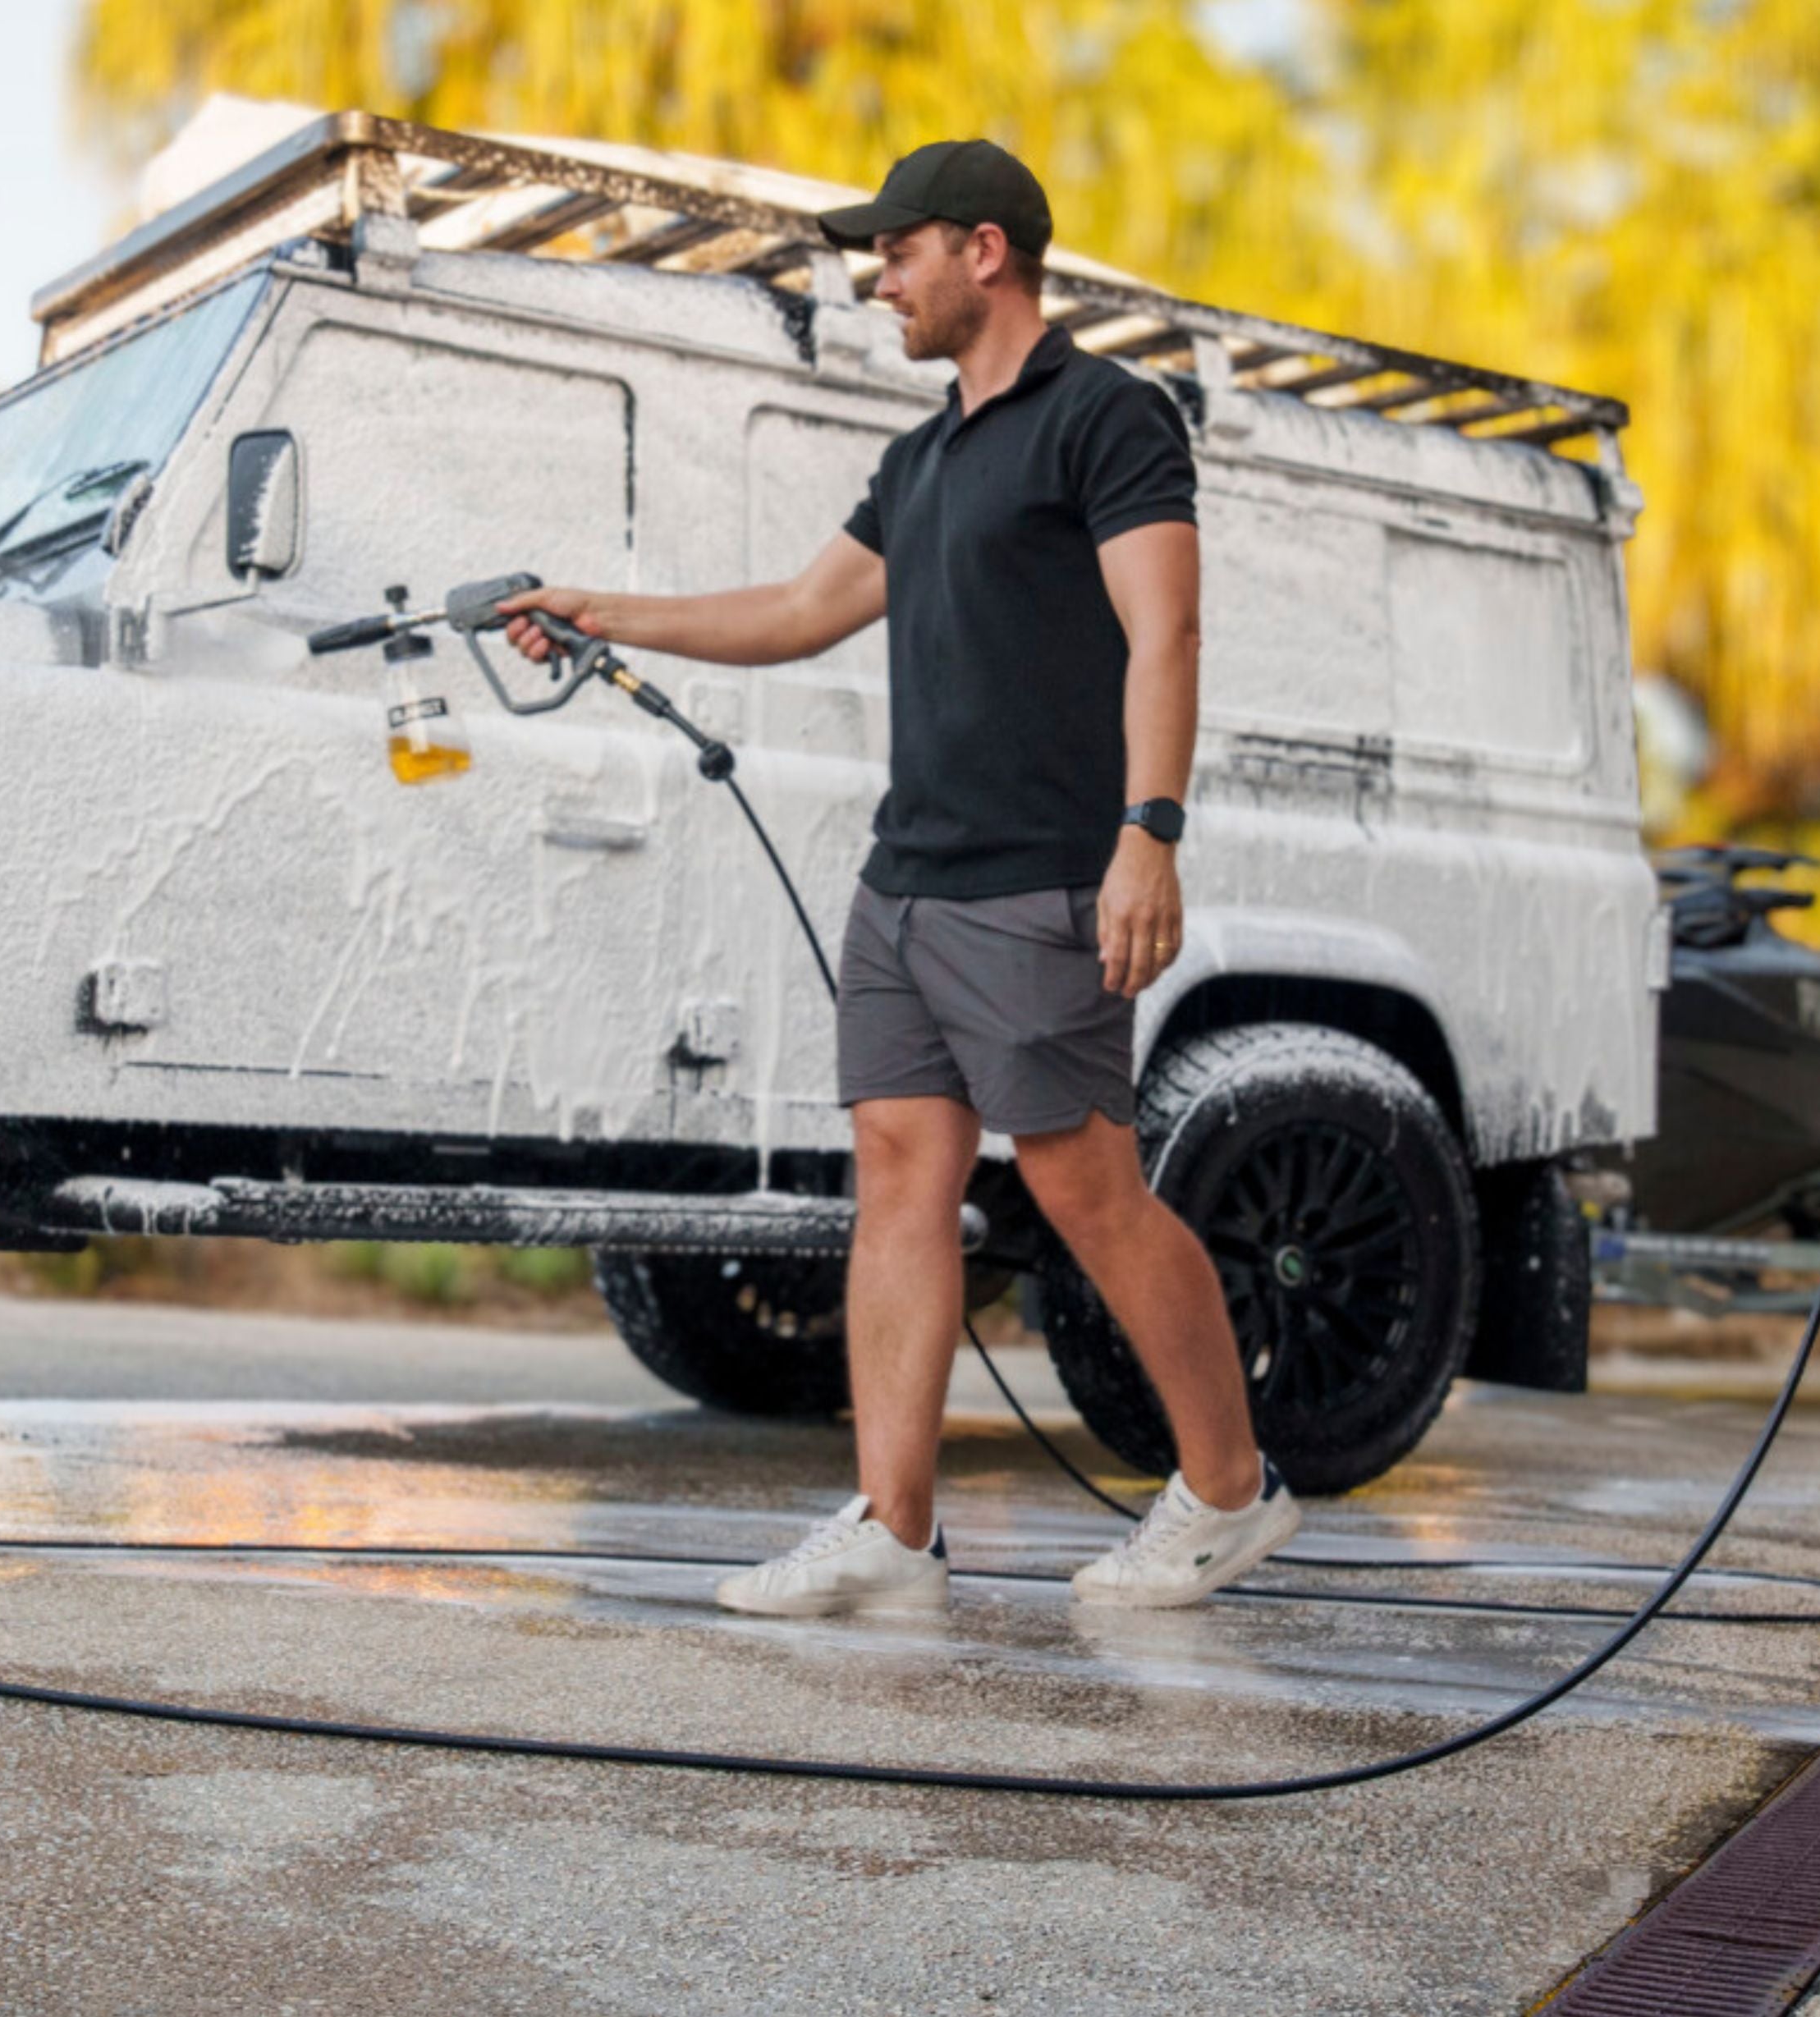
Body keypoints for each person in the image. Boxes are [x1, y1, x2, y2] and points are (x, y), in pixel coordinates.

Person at [497, 137, 1295, 1616]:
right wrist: (599, 607)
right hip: (907, 875)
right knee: (896, 1179)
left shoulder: (1108, 420)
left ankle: (1230, 1492)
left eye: (900, 250)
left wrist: (1150, 833)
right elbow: (801, 610)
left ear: (984, 250)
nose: (882, 279)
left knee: (1086, 1188)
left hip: (1039, 873)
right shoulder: (920, 458)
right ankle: (892, 1525)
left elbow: (1166, 634)